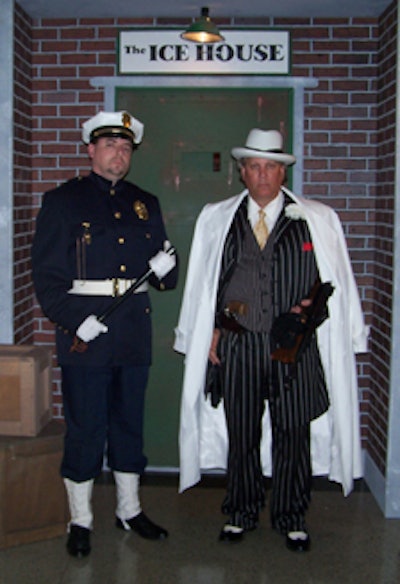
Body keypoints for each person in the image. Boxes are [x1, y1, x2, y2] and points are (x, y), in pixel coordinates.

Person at [174, 129, 368, 551]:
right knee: (241, 433)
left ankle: (291, 515)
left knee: (292, 433)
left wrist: (331, 323)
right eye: (255, 166)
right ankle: (241, 513)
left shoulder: (318, 218)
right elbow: (201, 285)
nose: (263, 175)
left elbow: (341, 282)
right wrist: (205, 334)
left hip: (294, 349)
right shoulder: (216, 217)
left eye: (272, 167)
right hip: (238, 344)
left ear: (284, 172)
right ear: (242, 172)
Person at [32, 110, 178, 558]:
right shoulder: (63, 201)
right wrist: (76, 320)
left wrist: (165, 269)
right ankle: (81, 519)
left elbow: (166, 278)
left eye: (126, 147)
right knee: (86, 427)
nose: (119, 153)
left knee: (128, 424)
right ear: (91, 149)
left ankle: (129, 509)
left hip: (132, 328)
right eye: (110, 145)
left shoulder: (145, 202)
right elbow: (46, 277)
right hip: (87, 334)